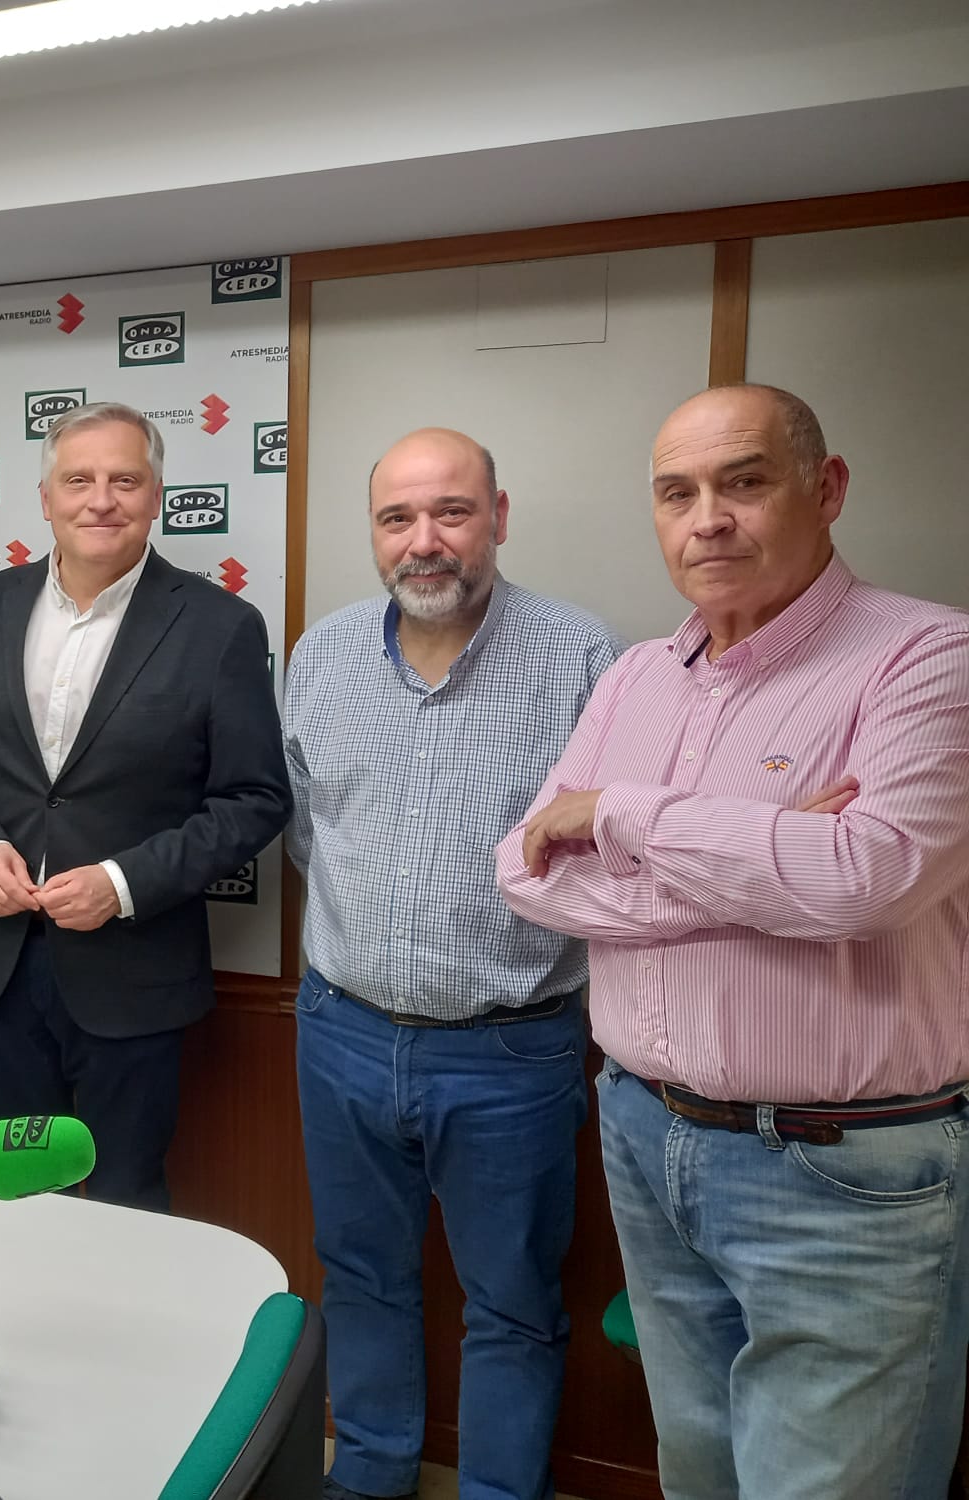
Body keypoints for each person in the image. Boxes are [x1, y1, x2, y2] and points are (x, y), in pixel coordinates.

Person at [498, 384, 969, 1500]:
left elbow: (864, 878)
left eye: (742, 482)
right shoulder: (635, 678)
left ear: (826, 488)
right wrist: (755, 862)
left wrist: (622, 815)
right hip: (643, 1130)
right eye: (676, 493)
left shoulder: (927, 658)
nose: (706, 519)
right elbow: (522, 869)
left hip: (838, 1167)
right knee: (698, 1472)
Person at [284, 428, 622, 1500]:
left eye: (451, 512)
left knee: (512, 1304)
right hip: (340, 1031)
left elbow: (613, 854)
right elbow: (308, 832)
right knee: (359, 1275)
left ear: (498, 518)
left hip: (510, 1052)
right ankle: (370, 1473)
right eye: (397, 518)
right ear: (373, 531)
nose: (422, 541)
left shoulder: (583, 659)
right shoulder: (320, 655)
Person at [0, 401, 288, 1211]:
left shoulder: (219, 626)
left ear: (156, 498)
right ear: (46, 498)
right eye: (78, 480)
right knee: (17, 1196)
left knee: (124, 1200)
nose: (101, 500)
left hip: (134, 975)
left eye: (125, 480)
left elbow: (255, 800)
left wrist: (121, 883)